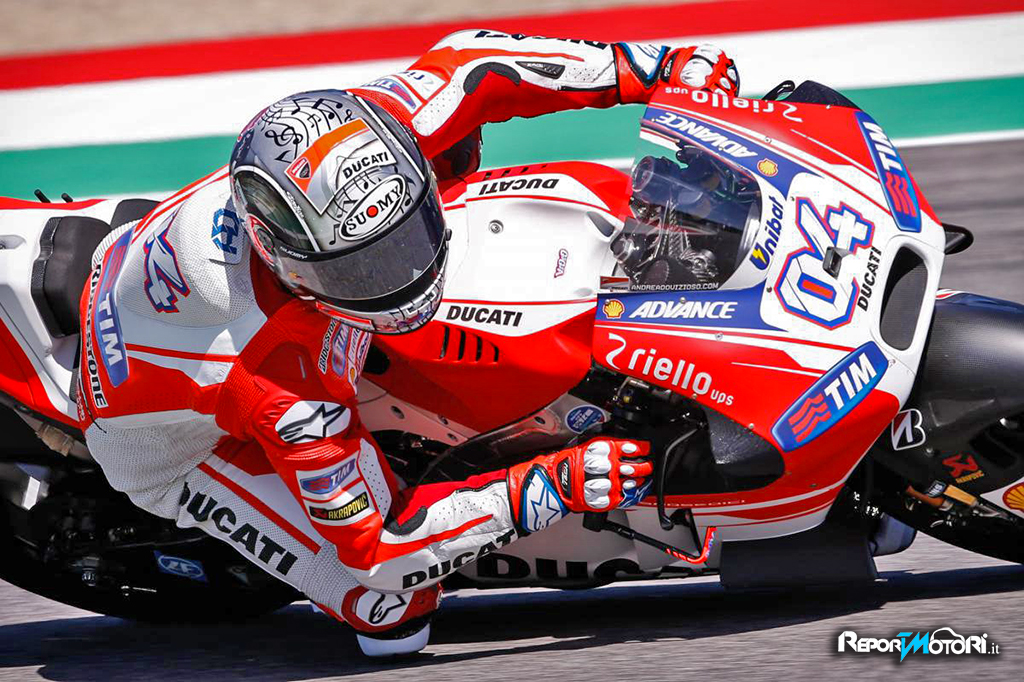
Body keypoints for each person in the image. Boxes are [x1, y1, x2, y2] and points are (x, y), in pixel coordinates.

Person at [78, 29, 739, 656]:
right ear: (287, 263)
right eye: (362, 271)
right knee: (390, 609)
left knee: (455, 154)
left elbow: (477, 65)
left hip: (160, 276)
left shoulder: (367, 130)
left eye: (404, 241)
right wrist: (546, 487)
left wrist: (652, 68)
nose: (402, 278)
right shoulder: (282, 382)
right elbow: (380, 550)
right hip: (169, 440)